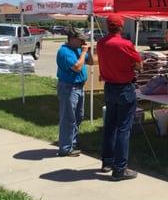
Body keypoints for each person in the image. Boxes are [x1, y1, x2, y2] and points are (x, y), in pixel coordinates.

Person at [97, 14, 143, 181]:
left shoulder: (101, 43)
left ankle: (107, 162)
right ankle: (120, 168)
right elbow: (139, 65)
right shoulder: (126, 44)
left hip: (109, 87)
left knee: (110, 126)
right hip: (124, 88)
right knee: (123, 128)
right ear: (121, 27)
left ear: (108, 26)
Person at [56, 27, 93, 157]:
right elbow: (77, 67)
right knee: (68, 118)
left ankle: (72, 143)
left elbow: (91, 62)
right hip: (68, 87)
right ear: (72, 39)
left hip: (79, 86)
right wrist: (83, 53)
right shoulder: (64, 52)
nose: (82, 42)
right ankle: (65, 148)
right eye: (80, 39)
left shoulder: (78, 49)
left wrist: (89, 51)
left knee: (78, 116)